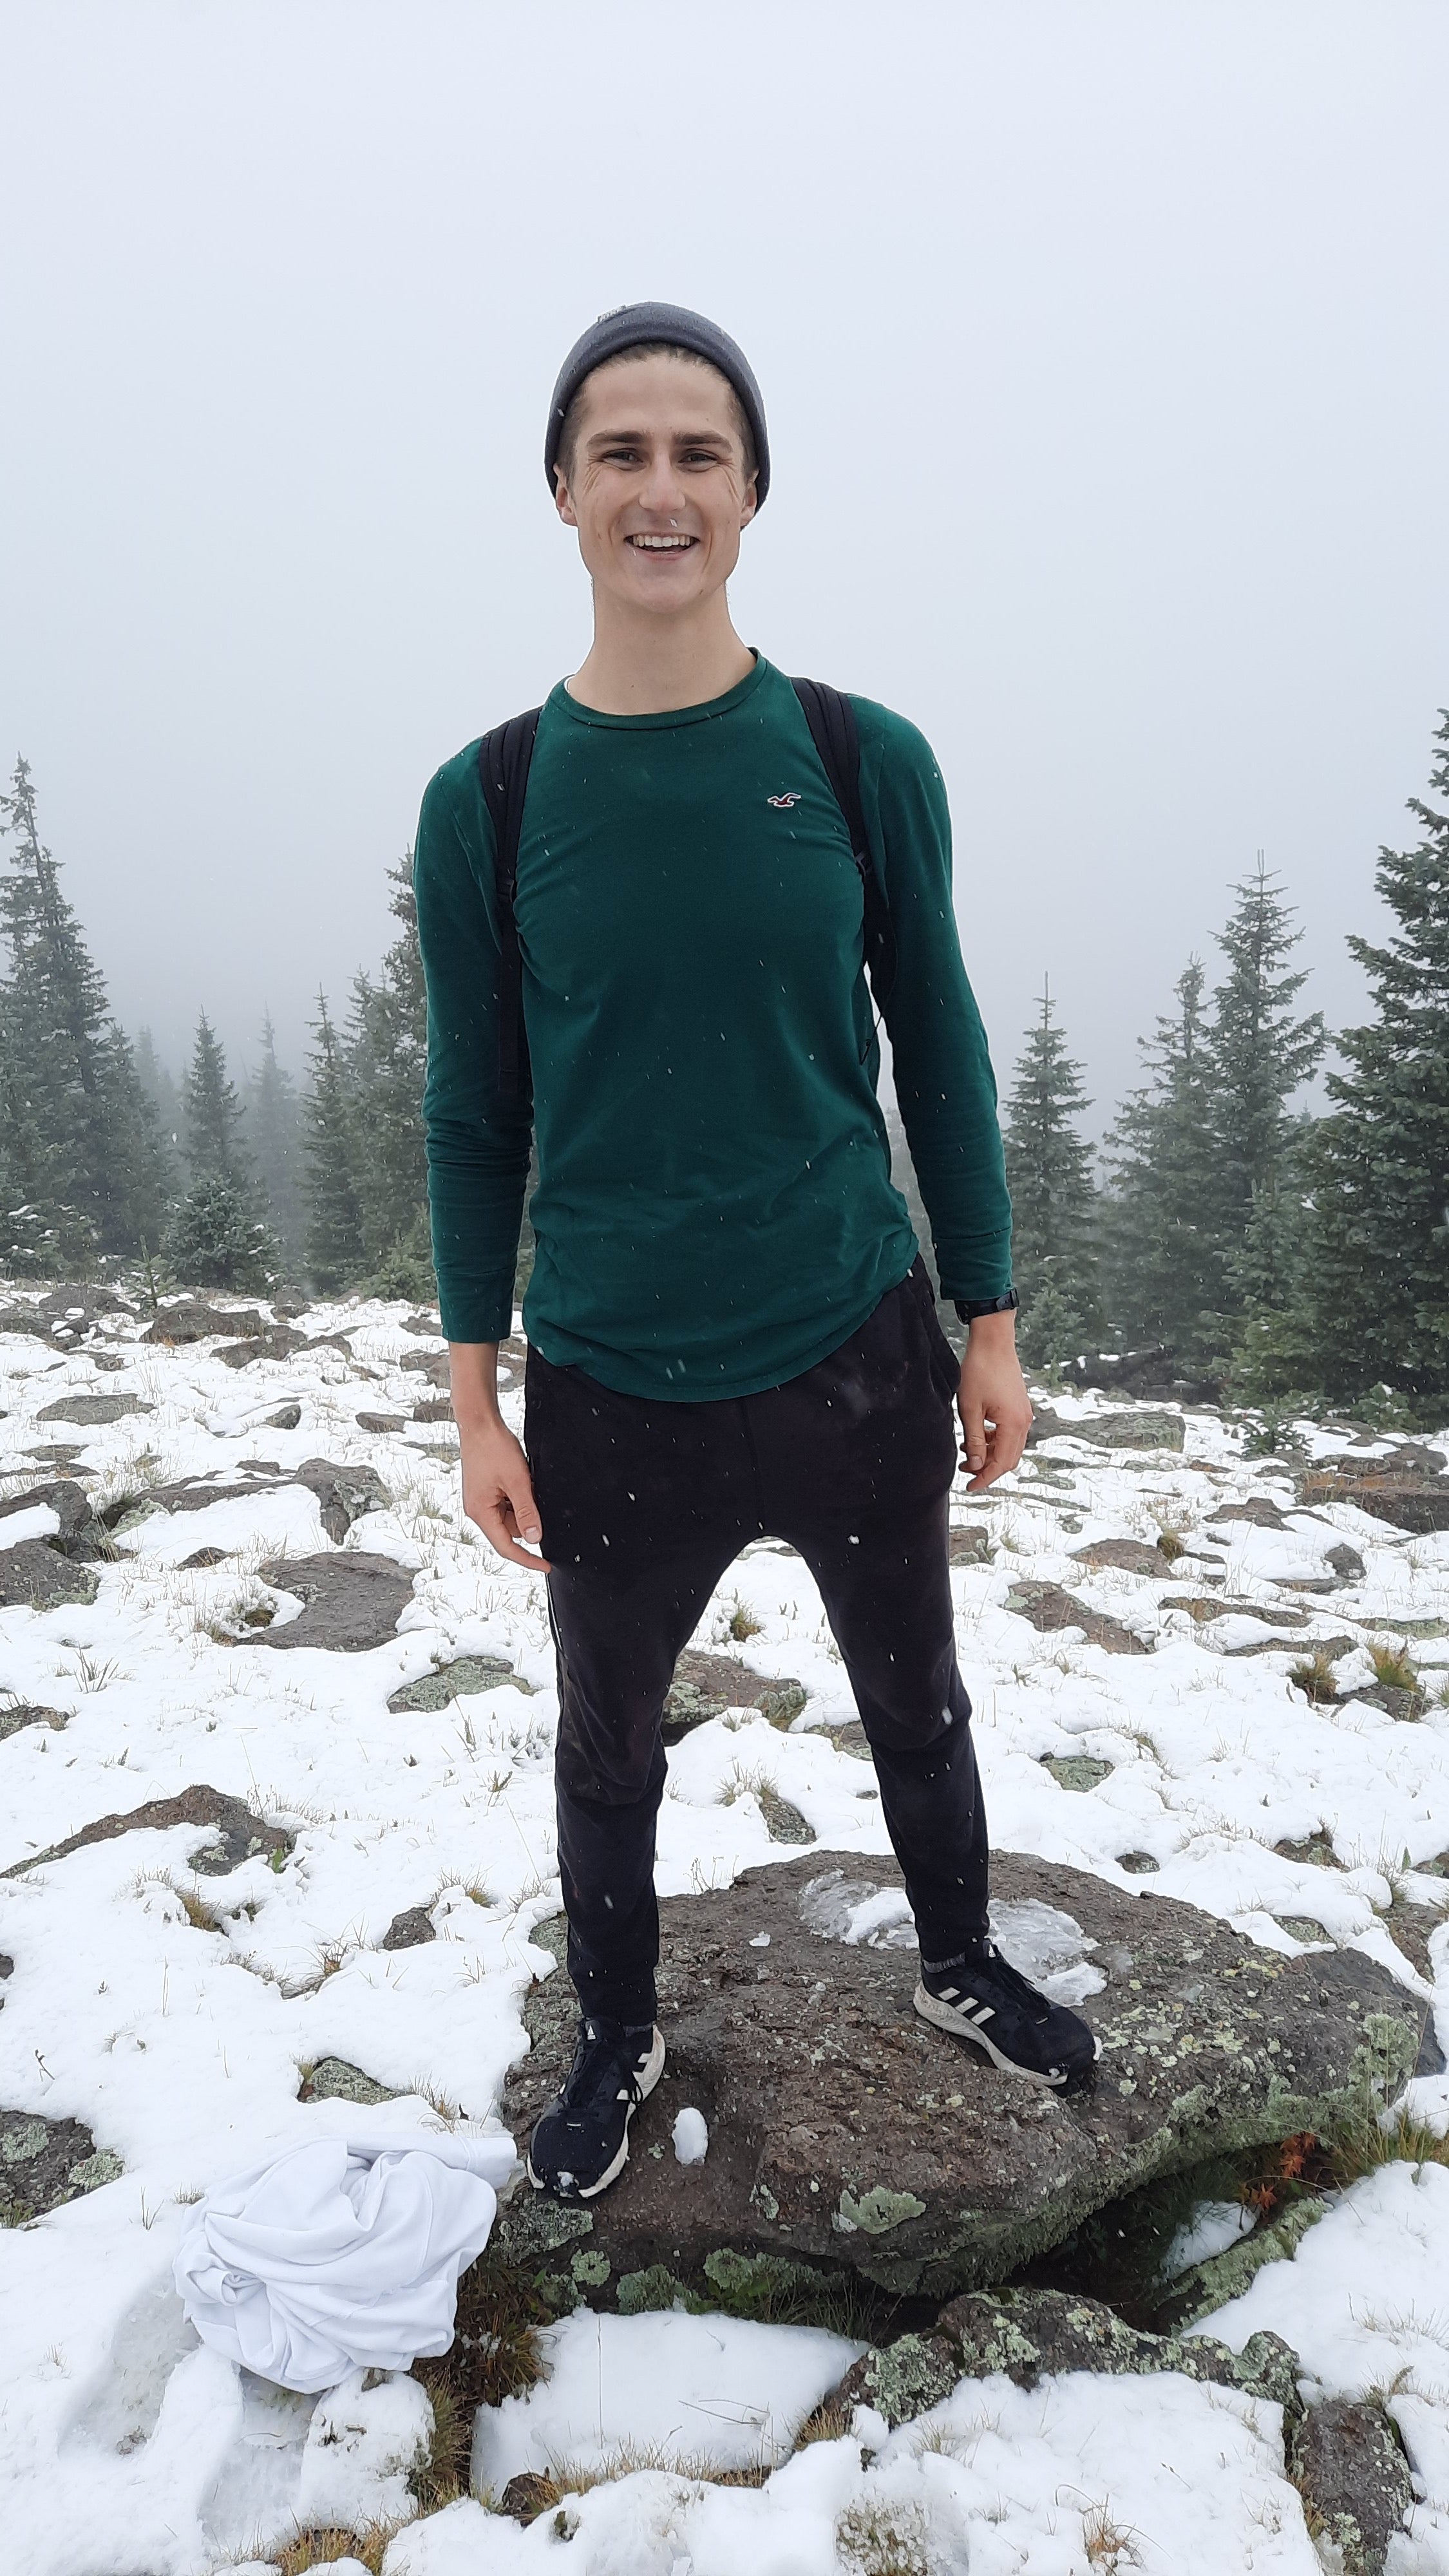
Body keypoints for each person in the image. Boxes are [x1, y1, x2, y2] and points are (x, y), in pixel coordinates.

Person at [413, 301, 1098, 2205]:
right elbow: (477, 1112)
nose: (658, 489)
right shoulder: (490, 799)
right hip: (615, 1381)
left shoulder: (852, 757)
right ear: (560, 492)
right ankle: (615, 2034)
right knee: (606, 1741)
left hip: (851, 1348)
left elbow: (938, 1049)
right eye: (618, 453)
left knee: (917, 1698)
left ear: (750, 491)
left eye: (695, 453)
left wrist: (988, 1323)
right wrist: (475, 1390)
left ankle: (957, 1963)